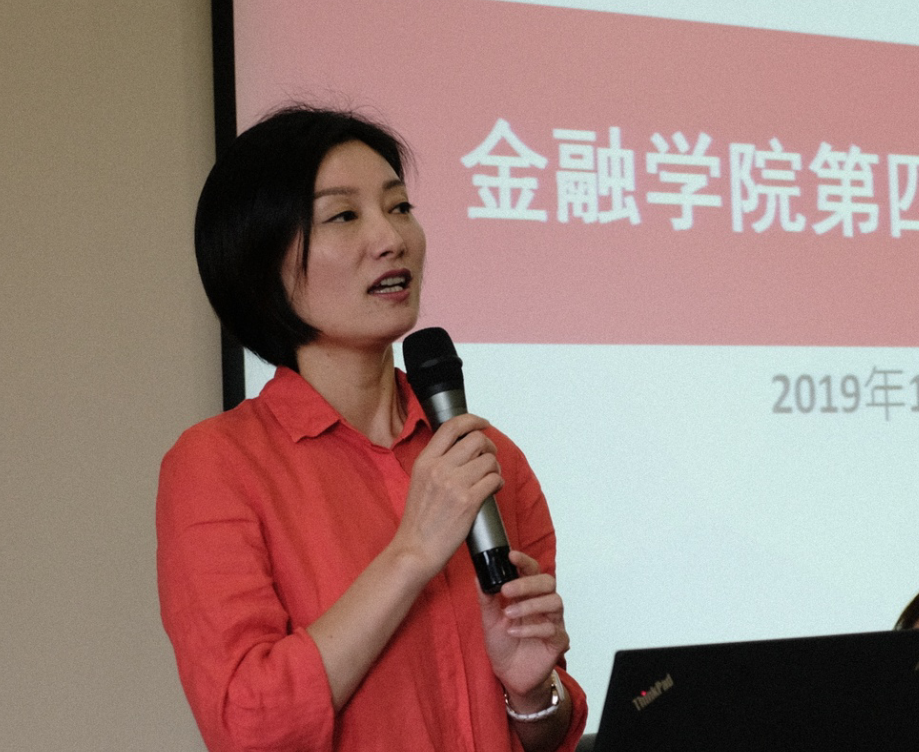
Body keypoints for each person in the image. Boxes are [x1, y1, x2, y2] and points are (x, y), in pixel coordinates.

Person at [156, 105, 588, 752]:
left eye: (399, 207)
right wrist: (411, 554)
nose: (391, 238)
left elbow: (550, 726)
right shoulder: (217, 466)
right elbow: (248, 725)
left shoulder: (484, 455)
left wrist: (531, 694)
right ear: (260, 260)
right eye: (344, 216)